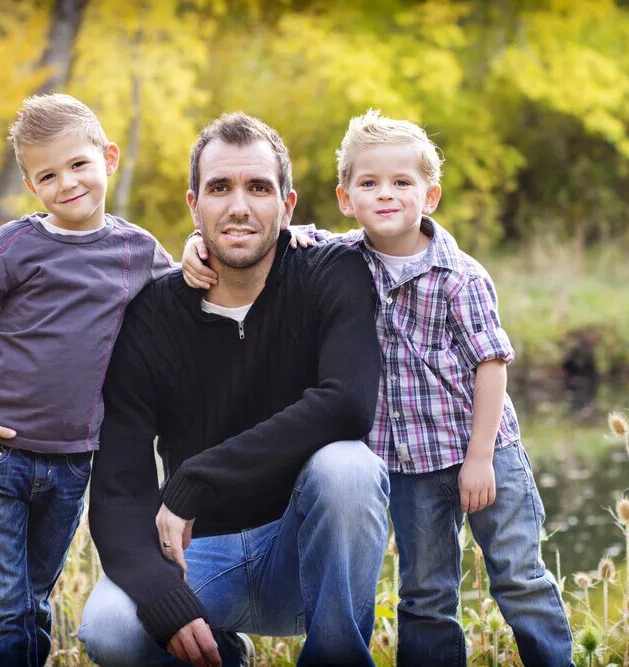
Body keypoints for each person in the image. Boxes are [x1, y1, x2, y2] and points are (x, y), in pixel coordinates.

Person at [184, 109, 573, 665]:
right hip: (408, 465)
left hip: (485, 452)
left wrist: (481, 457)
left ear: (430, 196)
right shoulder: (344, 261)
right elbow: (268, 235)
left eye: (402, 183)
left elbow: (492, 365)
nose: (385, 195)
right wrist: (193, 244)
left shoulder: (460, 276)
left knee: (518, 576)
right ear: (346, 198)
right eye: (369, 183)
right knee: (426, 594)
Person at [78, 112, 390, 667]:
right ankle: (223, 653)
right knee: (109, 631)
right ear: (194, 204)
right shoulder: (150, 314)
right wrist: (162, 595)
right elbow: (120, 485)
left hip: (301, 555)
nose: (239, 206)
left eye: (259, 188)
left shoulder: (331, 272)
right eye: (220, 188)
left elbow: (347, 405)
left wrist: (197, 477)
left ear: (288, 206)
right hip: (198, 558)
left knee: (349, 466)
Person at [0, 93, 178, 666]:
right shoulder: (15, 245)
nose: (67, 183)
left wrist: (288, 241)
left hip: (71, 463)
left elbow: (187, 293)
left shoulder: (136, 250)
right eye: (48, 175)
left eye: (78, 165)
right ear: (32, 186)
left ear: (108, 157)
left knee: (34, 603)